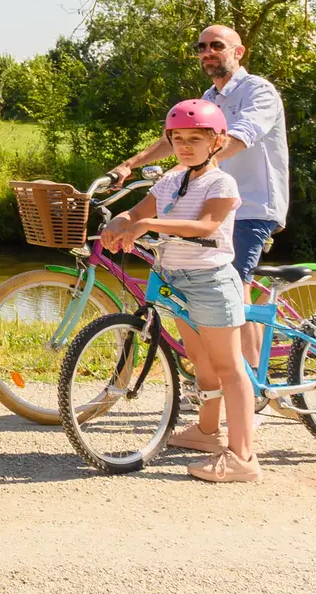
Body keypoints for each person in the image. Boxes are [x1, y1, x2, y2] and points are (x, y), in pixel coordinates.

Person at [107, 23, 289, 363]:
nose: (207, 52)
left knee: (235, 290)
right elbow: (173, 138)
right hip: (206, 203)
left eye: (216, 46)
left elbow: (237, 138)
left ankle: (248, 389)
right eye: (201, 47)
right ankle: (212, 378)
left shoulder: (258, 91)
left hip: (251, 205)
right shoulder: (208, 99)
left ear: (238, 52)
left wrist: (184, 170)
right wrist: (129, 165)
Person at [100, 99, 259, 483]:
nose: (185, 146)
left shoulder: (221, 182)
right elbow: (136, 213)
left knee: (229, 367)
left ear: (217, 142)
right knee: (202, 363)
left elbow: (206, 226)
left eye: (195, 139)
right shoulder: (171, 179)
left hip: (210, 281)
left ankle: (244, 458)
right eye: (177, 139)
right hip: (176, 278)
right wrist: (120, 223)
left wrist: (148, 224)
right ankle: (207, 433)